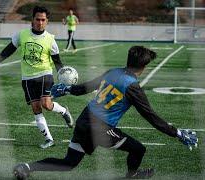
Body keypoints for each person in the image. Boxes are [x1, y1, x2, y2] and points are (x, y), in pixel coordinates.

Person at [13, 46, 198, 179]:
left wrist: (68, 89)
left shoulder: (113, 72)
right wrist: (177, 133)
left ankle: (27, 167)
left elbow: (85, 87)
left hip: (84, 120)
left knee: (69, 163)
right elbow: (150, 116)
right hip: (99, 128)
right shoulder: (133, 86)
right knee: (138, 149)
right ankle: (131, 176)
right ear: (142, 67)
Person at [0, 6, 74, 149]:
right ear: (32, 20)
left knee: (46, 104)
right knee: (36, 108)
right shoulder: (21, 35)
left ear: (47, 22)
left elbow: (57, 62)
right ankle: (49, 140)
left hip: (45, 74)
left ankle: (64, 112)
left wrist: (64, 78)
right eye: (37, 19)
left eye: (43, 20)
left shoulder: (50, 40)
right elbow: (7, 51)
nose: (40, 22)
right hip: (27, 78)